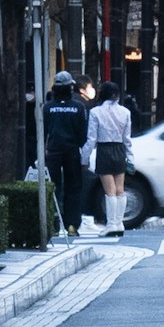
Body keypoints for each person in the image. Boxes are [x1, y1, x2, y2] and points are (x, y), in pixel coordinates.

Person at [41, 72, 94, 235]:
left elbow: (43, 130)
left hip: (53, 151)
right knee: (73, 188)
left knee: (52, 188)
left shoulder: (48, 107)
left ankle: (53, 225)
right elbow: (83, 134)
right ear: (70, 88)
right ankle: (72, 225)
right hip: (72, 151)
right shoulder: (78, 107)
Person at [88, 82, 137, 233]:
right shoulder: (125, 112)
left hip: (104, 149)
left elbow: (91, 138)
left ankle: (111, 225)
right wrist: (130, 158)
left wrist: (85, 158)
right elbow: (127, 139)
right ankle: (119, 223)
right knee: (120, 189)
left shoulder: (95, 112)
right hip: (119, 149)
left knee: (109, 190)